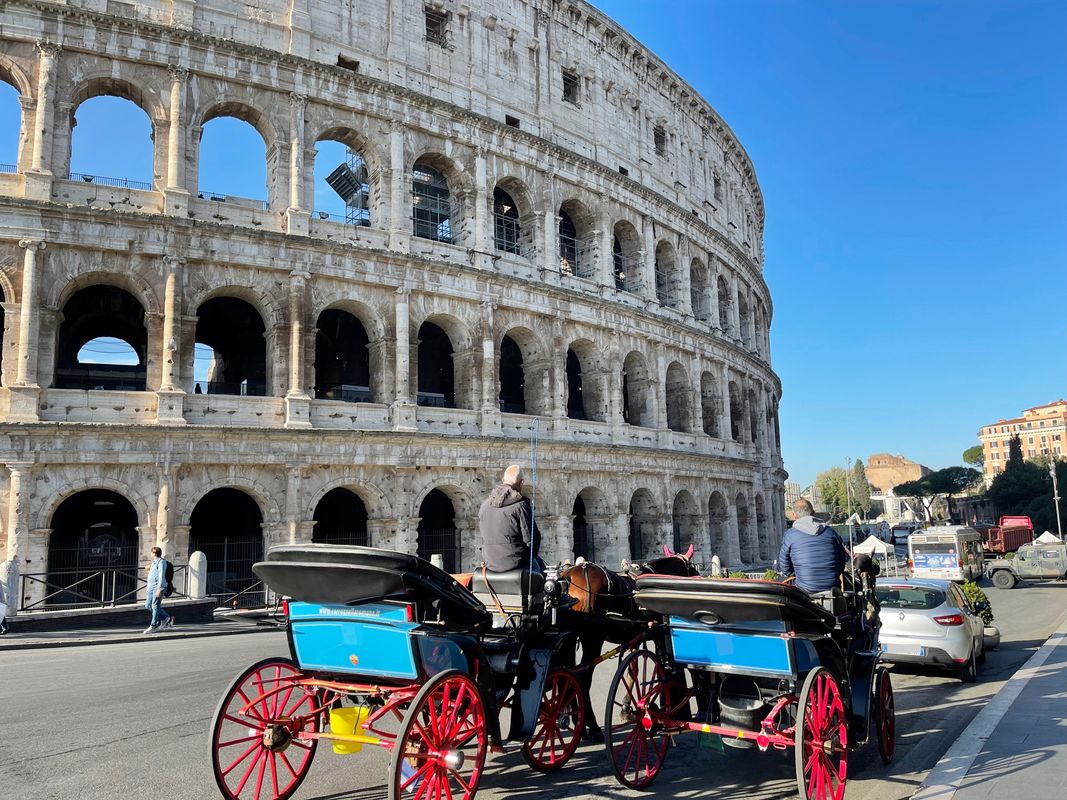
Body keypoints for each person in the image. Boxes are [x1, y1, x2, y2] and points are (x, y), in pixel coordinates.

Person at [479, 464, 543, 573]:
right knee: (542, 570)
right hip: (516, 564)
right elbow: (532, 540)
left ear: (503, 480)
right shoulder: (521, 505)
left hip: (490, 564)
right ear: (521, 483)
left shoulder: (484, 505)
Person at [777, 499, 847, 594]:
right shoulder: (831, 532)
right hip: (832, 588)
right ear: (813, 513)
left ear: (794, 515)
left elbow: (785, 567)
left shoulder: (789, 535)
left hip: (804, 591)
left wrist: (800, 573)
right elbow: (841, 562)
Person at [143, 547, 173, 634]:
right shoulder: (153, 562)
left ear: (154, 553)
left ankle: (154, 625)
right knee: (148, 605)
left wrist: (160, 588)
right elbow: (151, 574)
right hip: (151, 587)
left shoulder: (161, 562)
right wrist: (148, 587)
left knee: (155, 605)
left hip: (157, 587)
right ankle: (165, 617)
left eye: (151, 553)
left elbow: (161, 576)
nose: (150, 554)